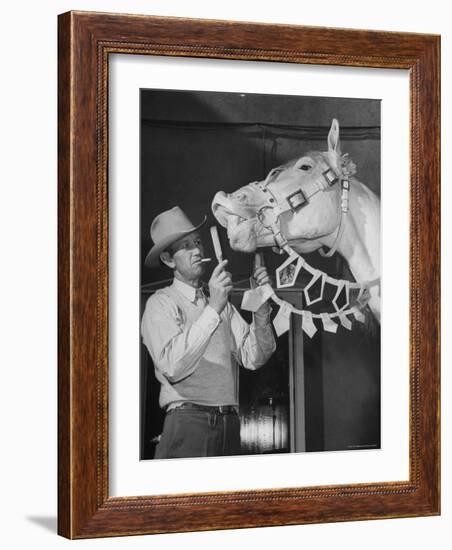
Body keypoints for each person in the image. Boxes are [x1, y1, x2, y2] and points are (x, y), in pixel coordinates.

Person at [141, 206, 276, 459]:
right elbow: (173, 366)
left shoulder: (218, 302)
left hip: (230, 423)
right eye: (186, 246)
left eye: (198, 242)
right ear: (169, 260)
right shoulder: (161, 303)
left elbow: (255, 357)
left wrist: (260, 304)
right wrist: (213, 307)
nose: (197, 251)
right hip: (188, 423)